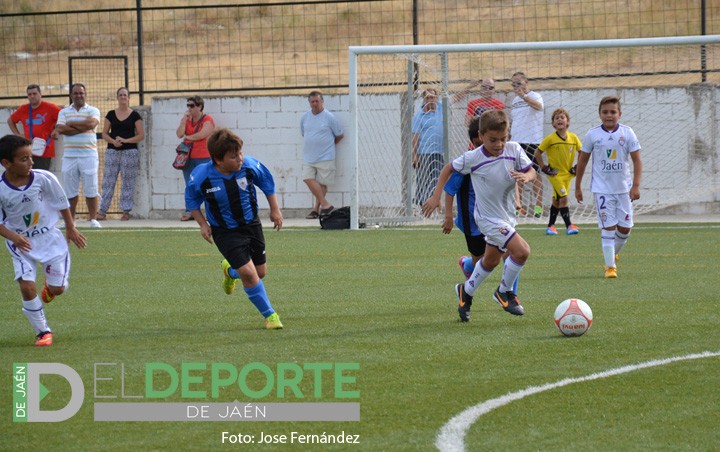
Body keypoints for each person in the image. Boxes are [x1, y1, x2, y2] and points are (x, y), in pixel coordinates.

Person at [423, 110, 536, 321]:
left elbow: (531, 170)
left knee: (490, 262)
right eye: (493, 140)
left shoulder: (514, 149)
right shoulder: (473, 158)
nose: (499, 144)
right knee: (521, 252)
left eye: (503, 139)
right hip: (487, 219)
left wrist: (526, 177)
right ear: (481, 136)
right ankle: (504, 291)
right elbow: (448, 169)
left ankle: (466, 292)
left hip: (507, 217)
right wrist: (436, 196)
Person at [185, 128, 284, 330]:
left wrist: (275, 210)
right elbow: (192, 200)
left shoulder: (248, 165)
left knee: (259, 272)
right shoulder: (202, 176)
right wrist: (203, 224)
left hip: (251, 225)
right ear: (218, 160)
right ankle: (271, 316)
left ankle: (230, 271)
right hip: (224, 231)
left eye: (240, 153)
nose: (240, 158)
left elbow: (266, 182)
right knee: (249, 275)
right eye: (233, 156)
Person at [0, 135, 87, 346]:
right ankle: (43, 332)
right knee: (26, 285)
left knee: (58, 290)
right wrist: (14, 237)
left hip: (50, 239)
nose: (31, 162)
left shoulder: (43, 178)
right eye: (24, 159)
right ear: (6, 163)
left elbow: (61, 203)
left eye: (31, 157)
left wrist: (71, 228)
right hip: (20, 243)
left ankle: (51, 287)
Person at [575, 95, 642, 279]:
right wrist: (578, 186)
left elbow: (637, 160)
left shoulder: (628, 133)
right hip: (602, 189)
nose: (609, 115)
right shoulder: (593, 134)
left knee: (625, 228)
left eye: (613, 112)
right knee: (608, 227)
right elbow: (582, 161)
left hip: (623, 189)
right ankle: (610, 267)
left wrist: (635, 185)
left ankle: (613, 253)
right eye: (605, 112)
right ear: (600, 114)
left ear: (619, 114)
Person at [55, 83, 103, 228]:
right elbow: (60, 129)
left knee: (91, 188)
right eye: (76, 93)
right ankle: (71, 221)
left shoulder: (93, 110)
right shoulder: (63, 112)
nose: (78, 96)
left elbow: (92, 123)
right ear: (71, 95)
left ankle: (93, 219)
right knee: (70, 191)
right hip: (69, 156)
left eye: (81, 93)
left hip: (89, 155)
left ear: (85, 94)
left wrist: (72, 123)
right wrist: (82, 127)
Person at [98, 87, 144, 221]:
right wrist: (113, 141)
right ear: (117, 98)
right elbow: (104, 134)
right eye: (120, 95)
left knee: (128, 182)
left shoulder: (135, 115)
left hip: (130, 152)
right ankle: (102, 210)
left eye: (125, 95)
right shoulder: (111, 114)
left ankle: (126, 211)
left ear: (129, 98)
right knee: (108, 181)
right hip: (112, 151)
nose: (123, 97)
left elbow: (141, 135)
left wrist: (125, 141)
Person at [535, 108, 582, 235]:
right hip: (555, 174)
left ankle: (551, 226)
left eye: (562, 117)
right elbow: (537, 152)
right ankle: (569, 226)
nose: (560, 119)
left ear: (567, 122)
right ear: (553, 124)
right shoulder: (550, 139)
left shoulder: (573, 138)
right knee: (564, 198)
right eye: (557, 118)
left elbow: (582, 152)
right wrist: (544, 167)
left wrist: (577, 166)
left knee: (557, 200)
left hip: (568, 174)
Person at [300, 90, 344, 219]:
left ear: (322, 101)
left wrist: (327, 146)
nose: (315, 104)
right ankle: (326, 205)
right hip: (309, 157)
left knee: (323, 184)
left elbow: (339, 135)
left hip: (326, 157)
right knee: (307, 178)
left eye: (317, 101)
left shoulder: (329, 117)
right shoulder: (305, 117)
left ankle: (316, 210)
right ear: (309, 102)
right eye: (312, 101)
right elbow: (304, 133)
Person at [510, 71, 545, 217]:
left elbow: (539, 107)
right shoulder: (513, 101)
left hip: (533, 141)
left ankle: (538, 207)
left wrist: (524, 96)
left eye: (519, 83)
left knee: (535, 174)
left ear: (526, 82)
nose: (516, 86)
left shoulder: (535, 96)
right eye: (514, 84)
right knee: (518, 175)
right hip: (517, 142)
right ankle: (519, 206)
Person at [176, 95, 215, 221]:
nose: (189, 108)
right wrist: (183, 121)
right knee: (190, 185)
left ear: (200, 107)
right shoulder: (186, 119)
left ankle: (211, 212)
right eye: (188, 105)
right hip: (187, 158)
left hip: (203, 157)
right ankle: (190, 211)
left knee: (206, 184)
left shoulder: (207, 119)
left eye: (192, 106)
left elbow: (203, 134)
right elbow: (179, 134)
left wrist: (188, 137)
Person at [7, 84, 61, 171]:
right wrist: (17, 134)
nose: (32, 96)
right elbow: (10, 121)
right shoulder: (23, 109)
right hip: (27, 151)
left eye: (35, 93)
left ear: (40, 94)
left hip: (44, 151)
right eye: (29, 94)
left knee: (41, 177)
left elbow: (64, 118)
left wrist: (56, 129)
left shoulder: (50, 108)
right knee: (27, 178)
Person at [412, 88, 445, 206]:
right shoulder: (418, 116)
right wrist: (415, 155)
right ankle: (421, 206)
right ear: (424, 100)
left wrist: (470, 87)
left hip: (439, 152)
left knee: (437, 180)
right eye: (428, 98)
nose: (430, 100)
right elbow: (415, 137)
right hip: (424, 153)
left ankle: (434, 205)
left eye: (433, 97)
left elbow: (456, 98)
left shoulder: (442, 108)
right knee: (423, 181)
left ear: (437, 98)